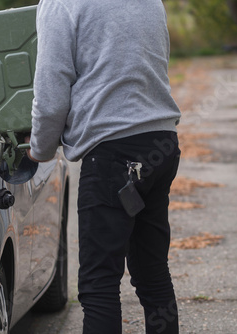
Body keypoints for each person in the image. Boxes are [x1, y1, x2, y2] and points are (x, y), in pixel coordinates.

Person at [27, 0, 181, 333]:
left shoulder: (61, 4)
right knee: (153, 275)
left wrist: (38, 149)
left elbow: (51, 91)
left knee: (99, 285)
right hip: (161, 143)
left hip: (114, 155)